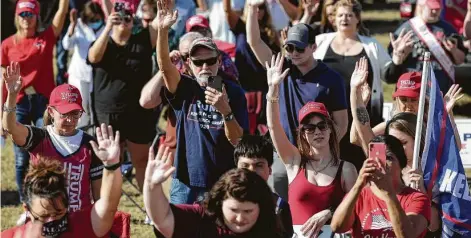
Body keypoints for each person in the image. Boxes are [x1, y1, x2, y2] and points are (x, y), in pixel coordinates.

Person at [155, 0, 248, 204]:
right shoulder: (185, 87)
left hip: (223, 181)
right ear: (189, 63)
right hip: (186, 180)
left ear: (219, 61)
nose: (204, 66)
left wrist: (226, 111)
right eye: (198, 62)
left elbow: (238, 141)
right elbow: (164, 67)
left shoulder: (234, 92)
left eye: (210, 60)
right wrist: (162, 31)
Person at [248, 21, 348, 201]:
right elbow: (254, 42)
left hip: (318, 156)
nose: (294, 53)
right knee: (281, 206)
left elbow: (341, 123)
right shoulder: (281, 68)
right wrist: (253, 8)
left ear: (313, 47)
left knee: (317, 207)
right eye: (290, 48)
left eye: (300, 49)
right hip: (284, 154)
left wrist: (323, 149)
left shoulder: (332, 78)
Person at [349, 58, 445, 235]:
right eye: (403, 99)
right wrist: (356, 94)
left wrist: (423, 194)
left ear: (418, 141)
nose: (391, 148)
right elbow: (360, 133)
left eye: (401, 143)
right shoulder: (383, 151)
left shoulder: (430, 162)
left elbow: (434, 226)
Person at [313, 0, 413, 171]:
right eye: (341, 15)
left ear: (357, 19)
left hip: (365, 117)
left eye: (350, 15)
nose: (345, 19)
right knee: (329, 168)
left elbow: (389, 76)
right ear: (333, 19)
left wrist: (397, 58)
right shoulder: (320, 42)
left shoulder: (371, 45)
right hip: (328, 119)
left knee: (373, 167)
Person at [265, 53, 357, 237]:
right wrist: (273, 91)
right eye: (309, 128)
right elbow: (274, 126)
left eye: (322, 126)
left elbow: (358, 208)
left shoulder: (346, 169)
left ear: (331, 129)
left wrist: (329, 213)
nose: (317, 132)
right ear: (302, 134)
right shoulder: (294, 163)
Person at [3, 64, 104, 221]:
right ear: (51, 111)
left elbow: (99, 196)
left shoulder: (89, 144)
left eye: (75, 113)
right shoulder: (40, 137)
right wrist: (12, 96)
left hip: (77, 223)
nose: (70, 120)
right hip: (43, 221)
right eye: (64, 114)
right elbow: (11, 128)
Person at [2, 124, 125, 238]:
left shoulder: (81, 226)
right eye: (43, 216)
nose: (51, 221)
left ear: (66, 206)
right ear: (26, 209)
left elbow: (108, 206)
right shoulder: (10, 236)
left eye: (58, 213)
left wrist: (111, 166)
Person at [1, 0, 69, 205]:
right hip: (19, 102)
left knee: (46, 150)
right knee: (21, 158)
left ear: (37, 16)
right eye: (22, 14)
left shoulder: (46, 38)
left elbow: (60, 15)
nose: (26, 19)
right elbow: (3, 82)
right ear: (16, 17)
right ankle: (25, 203)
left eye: (30, 14)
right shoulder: (6, 45)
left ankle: (47, 196)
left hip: (43, 103)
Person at [87, 0, 160, 192]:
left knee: (142, 161)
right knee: (111, 163)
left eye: (127, 18)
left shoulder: (143, 40)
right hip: (108, 113)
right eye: (119, 18)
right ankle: (108, 207)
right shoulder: (103, 43)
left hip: (138, 113)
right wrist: (108, 26)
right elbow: (93, 57)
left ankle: (150, 208)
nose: (123, 22)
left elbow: (161, 20)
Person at [144, 145, 283, 238]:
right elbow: (162, 220)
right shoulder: (202, 217)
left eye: (248, 211)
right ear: (220, 203)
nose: (240, 218)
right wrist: (152, 186)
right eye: (234, 210)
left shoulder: (269, 225)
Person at [330, 135, 431, 238]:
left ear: (401, 164)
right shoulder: (359, 196)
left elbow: (407, 236)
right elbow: (337, 227)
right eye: (376, 158)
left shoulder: (417, 198)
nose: (382, 163)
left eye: (389, 158)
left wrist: (388, 193)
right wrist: (358, 185)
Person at [390, 0, 467, 93]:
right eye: (431, 8)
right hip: (411, 87)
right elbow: (392, 61)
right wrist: (400, 54)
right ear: (421, 6)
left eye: (437, 9)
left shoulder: (448, 29)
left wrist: (453, 51)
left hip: (440, 87)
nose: (434, 12)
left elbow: (461, 60)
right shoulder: (406, 28)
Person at [234, 134, 294, 238]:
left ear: (270, 170)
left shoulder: (280, 207)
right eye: (245, 166)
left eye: (259, 165)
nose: (252, 171)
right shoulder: (223, 204)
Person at [63, 1, 106, 129]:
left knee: (95, 109)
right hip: (79, 74)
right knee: (80, 109)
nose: (95, 22)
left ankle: (95, 138)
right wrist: (72, 26)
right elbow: (67, 45)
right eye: (91, 19)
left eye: (97, 19)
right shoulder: (79, 25)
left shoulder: (106, 28)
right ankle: (79, 137)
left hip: (98, 75)